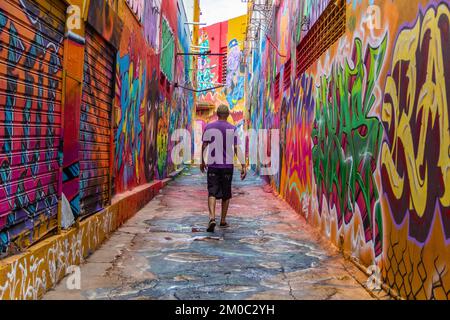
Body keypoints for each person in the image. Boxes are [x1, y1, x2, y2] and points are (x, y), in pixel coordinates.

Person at [200, 105, 247, 232]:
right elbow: (237, 148)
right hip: (227, 166)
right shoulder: (232, 128)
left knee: (212, 191)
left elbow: (204, 145)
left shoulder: (209, 127)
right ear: (227, 115)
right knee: (226, 193)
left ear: (216, 113)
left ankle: (211, 217)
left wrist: (202, 161)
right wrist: (243, 165)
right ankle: (223, 220)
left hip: (213, 165)